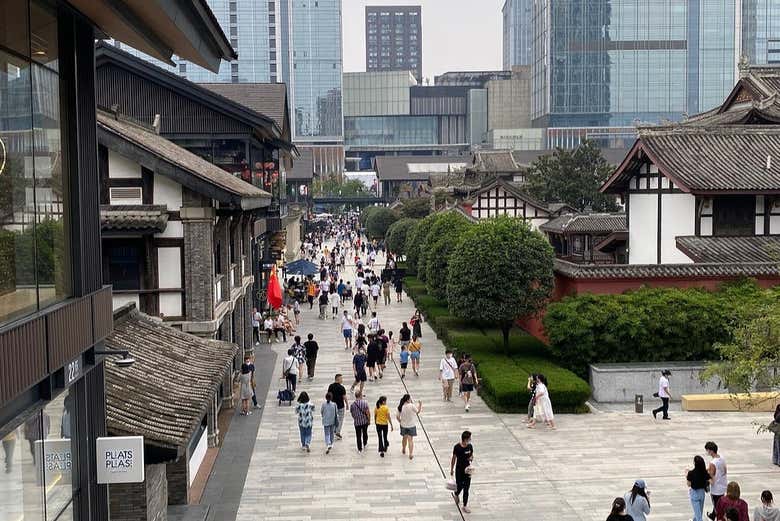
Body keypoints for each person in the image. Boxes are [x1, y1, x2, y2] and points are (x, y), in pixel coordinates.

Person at [450, 430, 474, 514]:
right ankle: (456, 494)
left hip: (468, 470)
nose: (470, 440)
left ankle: (465, 505)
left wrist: (471, 459)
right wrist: (451, 469)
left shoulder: (470, 446)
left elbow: (471, 456)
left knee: (467, 487)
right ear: (465, 439)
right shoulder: (457, 447)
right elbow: (454, 458)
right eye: (469, 439)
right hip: (459, 469)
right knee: (460, 485)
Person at [707, 441, 728, 520]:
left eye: (708, 450)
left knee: (717, 506)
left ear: (711, 451)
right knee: (720, 503)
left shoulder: (712, 463)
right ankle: (713, 515)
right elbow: (725, 470)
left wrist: (706, 478)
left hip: (716, 489)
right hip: (723, 485)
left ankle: (718, 518)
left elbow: (712, 478)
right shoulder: (722, 458)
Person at [397, 394, 422, 460]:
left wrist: (400, 422)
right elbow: (418, 411)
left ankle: (404, 449)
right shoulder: (411, 405)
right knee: (410, 440)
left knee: (404, 438)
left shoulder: (400, 406)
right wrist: (420, 404)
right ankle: (410, 453)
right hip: (411, 425)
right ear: (408, 399)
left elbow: (397, 416)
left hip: (403, 425)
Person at [687, 455, 712, 521]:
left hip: (694, 493)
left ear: (695, 463)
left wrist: (687, 475)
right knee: (699, 512)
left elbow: (688, 484)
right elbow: (710, 479)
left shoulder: (691, 473)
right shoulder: (704, 472)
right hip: (702, 493)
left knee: (699, 516)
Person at [327, 374, 348, 441]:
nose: (342, 380)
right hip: (340, 406)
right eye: (341, 379)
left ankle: (333, 430)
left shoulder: (330, 386)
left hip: (332, 406)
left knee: (333, 418)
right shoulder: (342, 388)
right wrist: (347, 404)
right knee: (340, 419)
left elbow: (328, 395)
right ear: (338, 379)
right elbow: (344, 397)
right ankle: (337, 432)